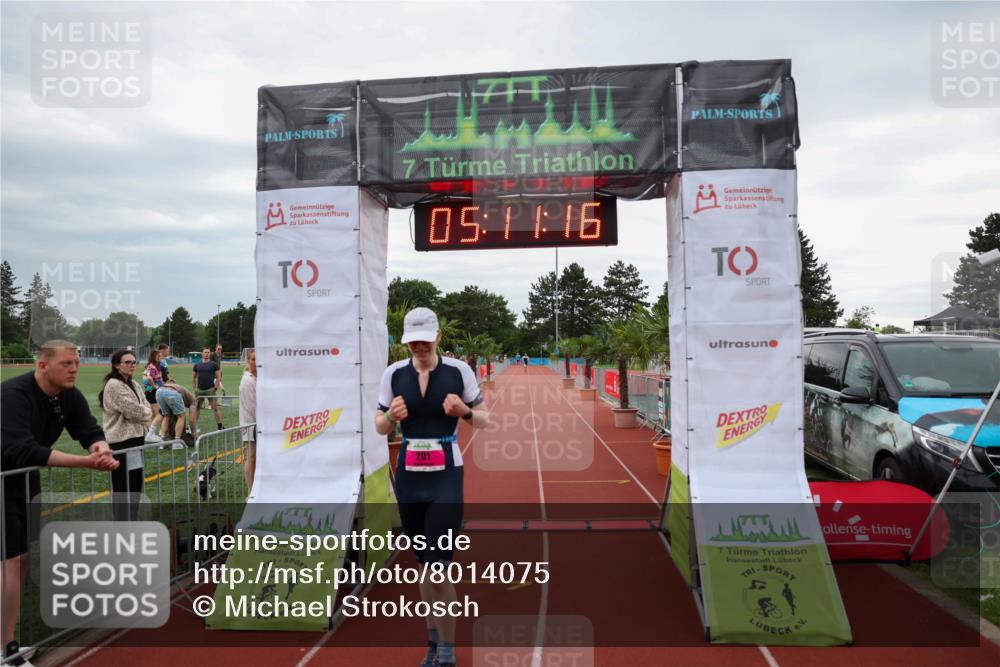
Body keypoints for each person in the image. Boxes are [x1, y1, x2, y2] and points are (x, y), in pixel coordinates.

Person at [374, 308, 489, 667]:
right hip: (409, 477)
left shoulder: (459, 372)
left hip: (446, 477)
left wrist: (464, 413)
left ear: (438, 337)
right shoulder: (394, 374)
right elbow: (378, 425)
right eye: (413, 340)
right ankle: (434, 643)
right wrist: (391, 418)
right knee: (425, 566)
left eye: (425, 339)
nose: (419, 345)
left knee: (438, 568)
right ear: (406, 341)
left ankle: (449, 653)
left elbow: (486, 420)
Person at [1, 341, 118, 666]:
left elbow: (89, 428)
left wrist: (100, 448)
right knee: (10, 561)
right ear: (42, 365)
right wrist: (86, 464)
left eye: (76, 363)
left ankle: (6, 639)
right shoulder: (12, 395)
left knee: (21, 559)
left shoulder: (69, 395)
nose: (74, 369)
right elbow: (23, 450)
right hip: (3, 479)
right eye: (66, 363)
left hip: (23, 479)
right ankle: (5, 651)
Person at [98, 349, 152, 521]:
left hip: (136, 441)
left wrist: (145, 411)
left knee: (135, 485)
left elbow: (145, 406)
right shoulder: (114, 385)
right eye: (127, 362)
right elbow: (134, 411)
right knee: (123, 487)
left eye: (134, 362)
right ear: (116, 365)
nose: (132, 365)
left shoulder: (134, 384)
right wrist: (146, 412)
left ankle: (132, 520)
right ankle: (121, 523)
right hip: (121, 443)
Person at [192, 348, 223, 434]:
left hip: (210, 389)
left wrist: (215, 387)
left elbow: (218, 377)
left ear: (210, 354)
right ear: (202, 353)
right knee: (197, 408)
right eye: (205, 352)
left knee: (215, 408)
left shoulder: (214, 364)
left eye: (208, 352)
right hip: (199, 390)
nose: (206, 354)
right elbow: (193, 377)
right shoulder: (197, 365)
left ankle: (220, 426)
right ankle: (194, 426)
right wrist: (195, 388)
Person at [239, 349, 257, 493]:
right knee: (251, 457)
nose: (256, 362)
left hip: (260, 425)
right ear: (248, 361)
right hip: (251, 425)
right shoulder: (247, 380)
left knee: (257, 457)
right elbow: (252, 407)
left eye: (258, 359)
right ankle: (251, 492)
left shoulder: (259, 377)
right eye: (253, 359)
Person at [142, 349, 164, 442]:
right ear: (154, 357)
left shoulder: (150, 366)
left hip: (149, 392)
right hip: (153, 392)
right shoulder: (152, 367)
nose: (161, 357)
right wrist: (155, 386)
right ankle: (150, 435)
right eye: (159, 356)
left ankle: (148, 434)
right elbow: (149, 378)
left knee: (153, 414)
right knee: (160, 413)